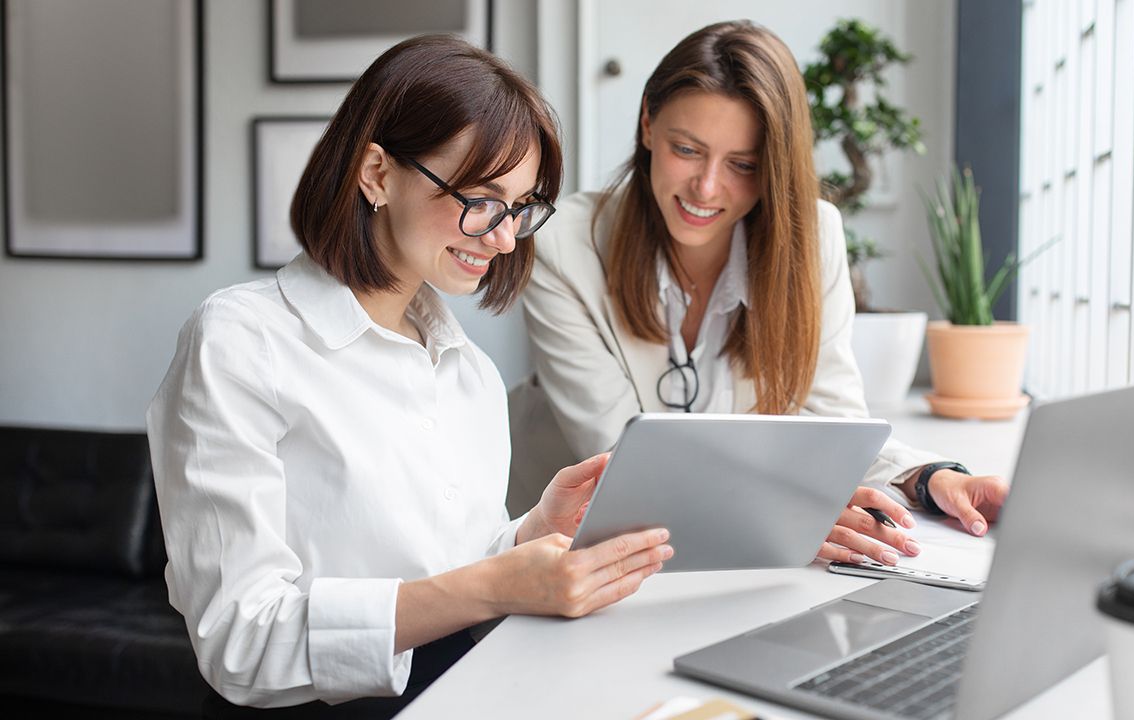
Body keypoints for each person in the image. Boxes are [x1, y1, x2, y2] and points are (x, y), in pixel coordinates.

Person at [147, 35, 671, 717]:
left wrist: (532, 531)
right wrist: (497, 586)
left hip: (477, 689)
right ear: (376, 173)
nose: (506, 237)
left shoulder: (470, 375)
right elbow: (241, 644)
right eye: (479, 198)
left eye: (518, 208)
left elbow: (447, 567)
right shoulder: (242, 342)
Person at [511, 20, 1008, 569]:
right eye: (686, 149)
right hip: (570, 554)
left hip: (732, 553)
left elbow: (831, 424)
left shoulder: (811, 238)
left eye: (743, 165)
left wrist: (927, 477)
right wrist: (791, 510)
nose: (706, 187)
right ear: (648, 125)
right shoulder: (561, 246)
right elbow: (618, 460)